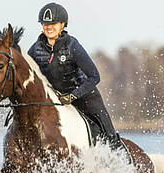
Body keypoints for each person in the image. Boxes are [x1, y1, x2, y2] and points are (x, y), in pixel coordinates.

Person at [27, 2, 124, 150]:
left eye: (53, 23)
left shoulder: (72, 46)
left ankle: (122, 159)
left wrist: (72, 96)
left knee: (109, 134)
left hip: (84, 97)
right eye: (45, 24)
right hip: (55, 99)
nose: (49, 27)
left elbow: (94, 76)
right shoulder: (35, 50)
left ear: (62, 25)